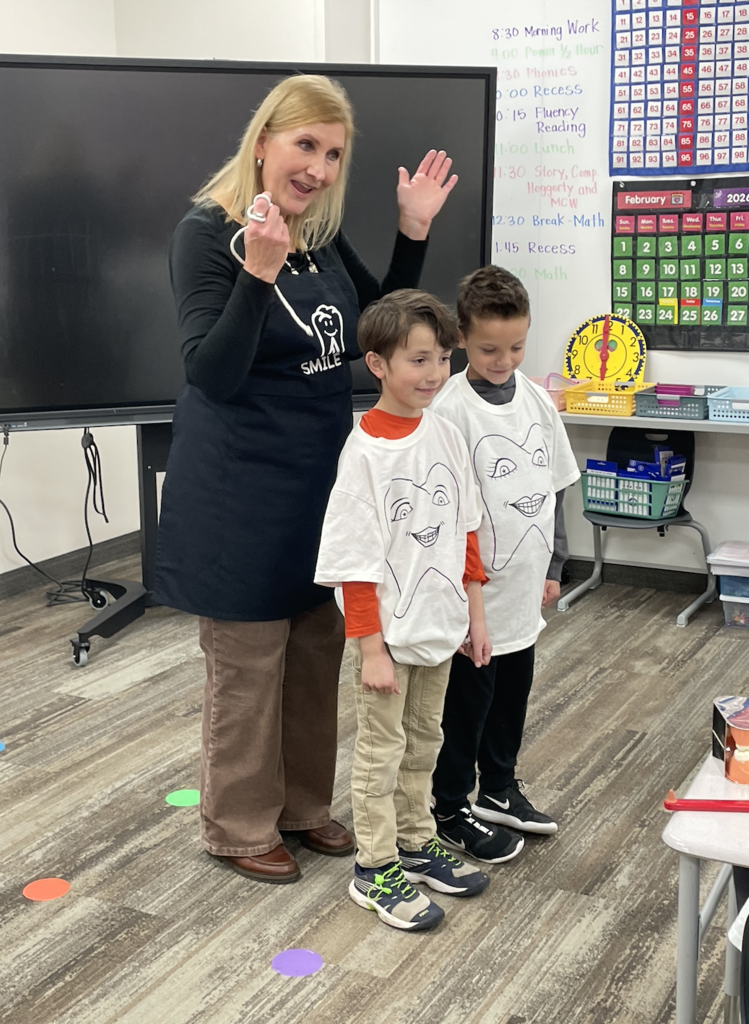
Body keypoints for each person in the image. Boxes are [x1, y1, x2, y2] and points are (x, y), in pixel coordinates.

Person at [153, 74, 458, 884]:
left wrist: (412, 230)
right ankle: (238, 824)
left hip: (322, 485)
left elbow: (376, 321)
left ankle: (302, 807)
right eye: (304, 146)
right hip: (238, 492)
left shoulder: (316, 234)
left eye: (332, 154)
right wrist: (257, 271)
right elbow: (209, 373)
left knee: (318, 652)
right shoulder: (205, 234)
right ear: (264, 142)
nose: (318, 168)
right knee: (250, 665)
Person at [314, 290, 492, 931]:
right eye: (419, 359)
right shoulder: (363, 453)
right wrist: (370, 649)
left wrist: (475, 616)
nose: (434, 373)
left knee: (426, 744)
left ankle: (416, 844)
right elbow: (354, 563)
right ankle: (375, 867)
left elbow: (466, 532)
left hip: (442, 629)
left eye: (442, 358)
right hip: (387, 642)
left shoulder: (444, 432)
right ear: (377, 363)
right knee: (380, 755)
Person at [430, 265, 580, 862]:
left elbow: (557, 484)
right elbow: (444, 514)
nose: (504, 359)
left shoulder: (538, 401)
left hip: (522, 589)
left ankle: (498, 787)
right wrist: (464, 603)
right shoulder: (449, 408)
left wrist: (555, 565)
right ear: (462, 337)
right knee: (466, 704)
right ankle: (449, 806)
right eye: (490, 348)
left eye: (517, 346)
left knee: (513, 693)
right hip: (474, 598)